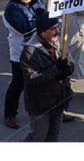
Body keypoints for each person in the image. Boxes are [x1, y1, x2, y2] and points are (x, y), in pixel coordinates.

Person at [21, 10, 74, 142]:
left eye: (58, 27)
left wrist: (67, 68)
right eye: (53, 29)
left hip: (58, 99)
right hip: (40, 103)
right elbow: (33, 78)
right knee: (38, 137)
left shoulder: (59, 43)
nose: (57, 31)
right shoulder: (30, 51)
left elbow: (70, 64)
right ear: (42, 32)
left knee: (53, 136)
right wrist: (57, 68)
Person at [2, 0, 47, 129]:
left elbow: (51, 20)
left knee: (46, 81)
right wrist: (43, 22)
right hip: (20, 52)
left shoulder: (41, 1)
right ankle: (10, 114)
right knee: (18, 84)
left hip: (42, 50)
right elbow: (25, 27)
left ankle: (53, 110)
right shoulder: (11, 9)